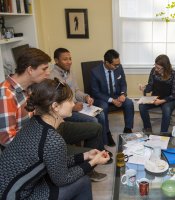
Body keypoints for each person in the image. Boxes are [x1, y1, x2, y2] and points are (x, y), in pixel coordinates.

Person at [0, 48, 108, 181]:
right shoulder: (6, 95)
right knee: (84, 154)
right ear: (30, 70)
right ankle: (82, 171)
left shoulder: (30, 87)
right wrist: (48, 146)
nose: (48, 72)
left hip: (48, 130)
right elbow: (7, 141)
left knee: (95, 127)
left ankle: (87, 171)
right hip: (39, 144)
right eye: (44, 69)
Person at [0, 78, 110, 199]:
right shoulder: (52, 139)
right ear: (55, 106)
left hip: (8, 187)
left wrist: (85, 156)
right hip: (15, 195)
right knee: (83, 181)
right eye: (69, 100)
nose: (73, 104)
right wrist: (93, 162)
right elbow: (63, 179)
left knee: (81, 180)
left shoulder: (35, 122)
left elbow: (55, 163)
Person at [50, 48, 108, 145]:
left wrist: (86, 97)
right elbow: (55, 102)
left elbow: (76, 90)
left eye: (70, 59)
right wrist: (73, 107)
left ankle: (101, 145)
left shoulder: (70, 71)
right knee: (93, 121)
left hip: (77, 105)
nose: (69, 62)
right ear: (56, 60)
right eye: (65, 59)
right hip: (67, 111)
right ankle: (90, 151)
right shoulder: (52, 77)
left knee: (100, 114)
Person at [91, 49, 134, 145]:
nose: (117, 66)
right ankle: (107, 133)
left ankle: (127, 129)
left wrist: (123, 94)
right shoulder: (95, 72)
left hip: (116, 95)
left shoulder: (119, 67)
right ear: (106, 63)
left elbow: (123, 83)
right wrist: (112, 100)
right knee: (104, 107)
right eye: (115, 65)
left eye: (119, 64)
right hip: (102, 97)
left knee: (129, 103)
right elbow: (95, 92)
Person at [138, 54, 175, 133]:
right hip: (156, 98)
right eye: (155, 66)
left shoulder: (174, 75)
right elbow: (150, 85)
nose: (156, 69)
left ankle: (163, 133)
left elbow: (174, 94)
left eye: (158, 68)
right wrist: (144, 88)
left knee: (166, 109)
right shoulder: (153, 71)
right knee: (142, 106)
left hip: (169, 100)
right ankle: (148, 128)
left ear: (165, 67)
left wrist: (162, 101)